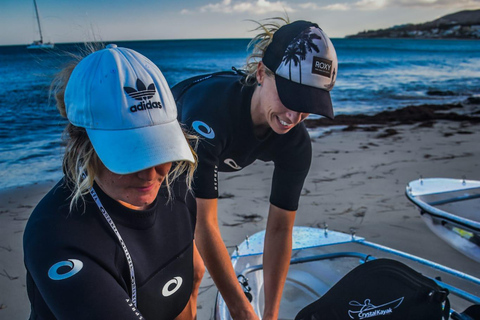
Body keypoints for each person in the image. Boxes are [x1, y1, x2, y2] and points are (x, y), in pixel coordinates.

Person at [173, 19, 338, 319]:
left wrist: (269, 313)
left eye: (306, 105)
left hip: (199, 154)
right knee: (187, 272)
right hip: (165, 155)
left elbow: (279, 229)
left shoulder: (296, 145)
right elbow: (205, 224)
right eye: (290, 97)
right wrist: (241, 310)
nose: (293, 116)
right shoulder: (210, 118)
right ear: (262, 73)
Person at [23, 44, 200, 320]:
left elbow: (187, 291)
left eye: (161, 148)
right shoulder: (55, 235)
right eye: (131, 155)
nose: (151, 173)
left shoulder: (176, 186)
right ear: (81, 144)